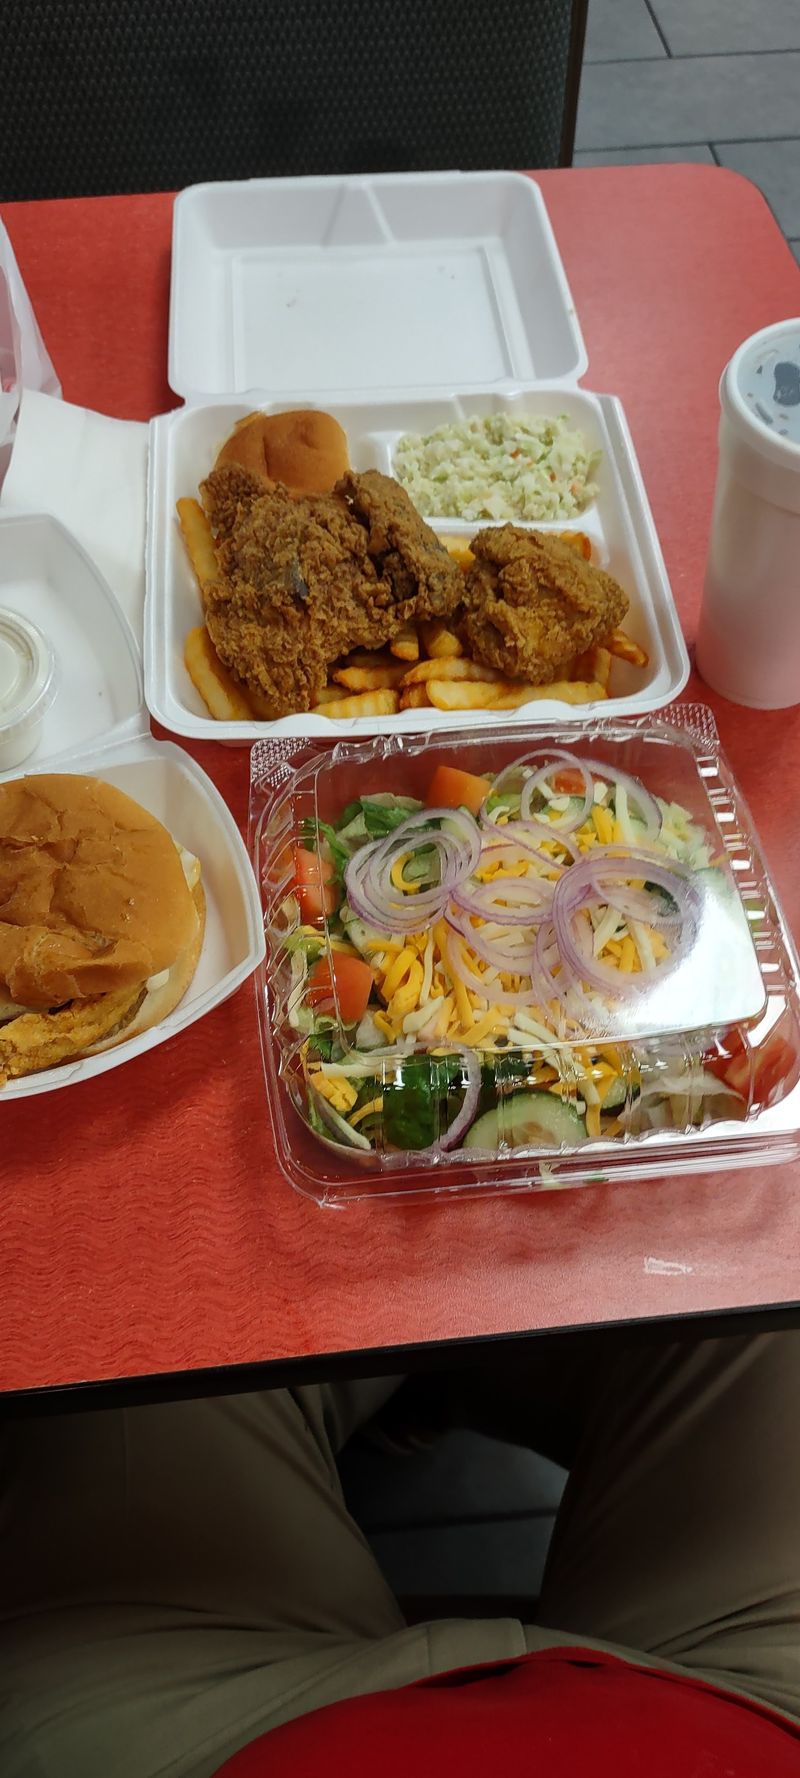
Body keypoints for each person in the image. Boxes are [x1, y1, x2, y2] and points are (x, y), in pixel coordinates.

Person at [2, 1332, 800, 1775]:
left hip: (203, 1741)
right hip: (753, 1721)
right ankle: (427, 1373)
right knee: (774, 1263)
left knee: (133, 1341)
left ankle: (399, 1378)